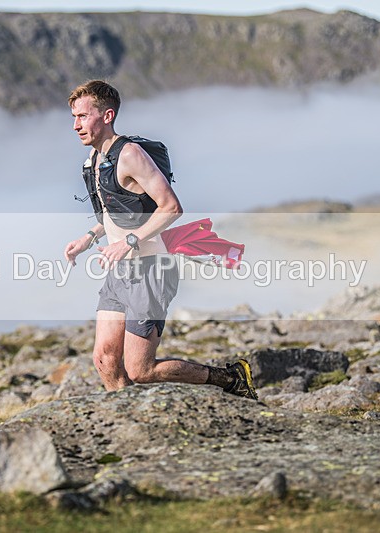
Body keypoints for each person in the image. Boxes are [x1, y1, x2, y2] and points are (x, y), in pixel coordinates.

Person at [63, 79, 257, 399]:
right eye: (73, 117)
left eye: (83, 116)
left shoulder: (130, 155)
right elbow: (118, 211)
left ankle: (230, 379)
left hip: (151, 268)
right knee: (105, 360)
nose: (75, 125)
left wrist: (127, 243)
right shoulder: (94, 161)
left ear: (107, 116)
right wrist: (89, 237)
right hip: (120, 271)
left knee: (141, 370)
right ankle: (129, 421)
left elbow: (171, 208)